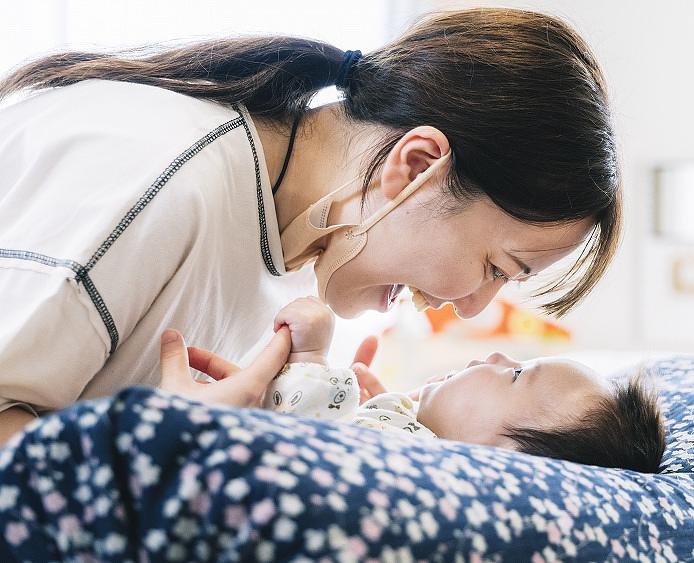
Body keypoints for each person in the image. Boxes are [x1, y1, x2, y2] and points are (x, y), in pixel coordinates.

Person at [0, 8, 621, 444]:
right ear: (416, 167)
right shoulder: (160, 176)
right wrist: (157, 454)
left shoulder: (305, 256)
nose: (468, 310)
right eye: (494, 268)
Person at [227, 298, 665, 472]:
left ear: (503, 458)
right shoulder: (415, 436)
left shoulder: (413, 463)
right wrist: (381, 408)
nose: (494, 356)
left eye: (515, 374)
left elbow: (309, 448)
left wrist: (310, 356)